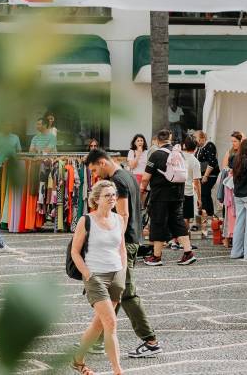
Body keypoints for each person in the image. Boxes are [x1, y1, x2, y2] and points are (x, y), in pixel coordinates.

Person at [84, 149, 164, 359]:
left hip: (125, 243)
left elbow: (123, 214)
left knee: (126, 293)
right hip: (131, 241)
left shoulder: (117, 182)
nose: (95, 175)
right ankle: (98, 340)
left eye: (94, 169)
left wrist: (113, 242)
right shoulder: (127, 175)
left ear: (102, 163)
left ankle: (151, 341)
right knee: (113, 293)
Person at [69, 179, 128, 375]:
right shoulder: (86, 220)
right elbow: (75, 252)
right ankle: (117, 370)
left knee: (99, 323)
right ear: (97, 199)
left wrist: (123, 271)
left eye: (114, 195)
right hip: (96, 276)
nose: (112, 198)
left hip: (116, 274)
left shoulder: (119, 219)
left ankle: (77, 359)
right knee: (111, 323)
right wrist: (88, 274)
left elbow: (121, 248)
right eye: (107, 195)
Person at [143, 130, 197, 267]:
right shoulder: (179, 153)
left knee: (158, 223)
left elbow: (145, 178)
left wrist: (142, 191)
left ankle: (156, 257)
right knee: (178, 222)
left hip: (160, 195)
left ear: (156, 140)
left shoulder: (156, 154)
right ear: (170, 139)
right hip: (178, 194)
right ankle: (188, 252)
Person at [180, 136, 203, 231]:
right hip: (188, 192)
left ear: (184, 145)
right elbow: (196, 182)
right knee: (186, 218)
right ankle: (184, 241)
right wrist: (200, 199)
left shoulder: (179, 156)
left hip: (175, 190)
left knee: (176, 216)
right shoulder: (195, 161)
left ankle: (174, 241)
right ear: (196, 148)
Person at [196, 130, 219, 222]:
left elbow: (212, 162)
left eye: (196, 138)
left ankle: (208, 214)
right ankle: (208, 214)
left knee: (205, 194)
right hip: (202, 174)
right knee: (205, 194)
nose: (195, 140)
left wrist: (205, 176)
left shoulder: (209, 146)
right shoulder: (200, 147)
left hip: (210, 175)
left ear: (202, 138)